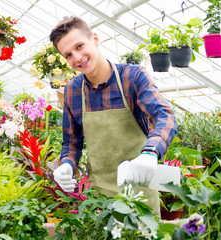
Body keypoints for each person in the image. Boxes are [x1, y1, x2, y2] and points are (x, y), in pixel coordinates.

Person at [49, 16, 177, 214]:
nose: (77, 57)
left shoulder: (132, 78)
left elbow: (164, 115)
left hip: (140, 197)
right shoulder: (73, 91)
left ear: (95, 39)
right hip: (99, 201)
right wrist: (66, 164)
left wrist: (150, 152)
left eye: (80, 46)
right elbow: (72, 142)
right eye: (68, 55)